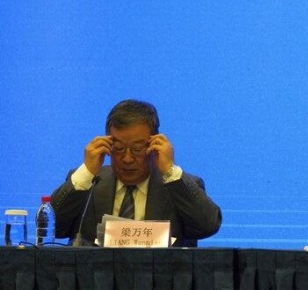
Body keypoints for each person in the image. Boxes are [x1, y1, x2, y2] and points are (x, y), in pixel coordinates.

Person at [51, 99, 222, 247]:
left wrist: (170, 171)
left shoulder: (177, 187)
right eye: (118, 148)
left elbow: (208, 225)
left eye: (137, 149)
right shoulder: (87, 184)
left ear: (154, 145)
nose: (127, 158)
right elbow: (52, 228)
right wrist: (86, 172)